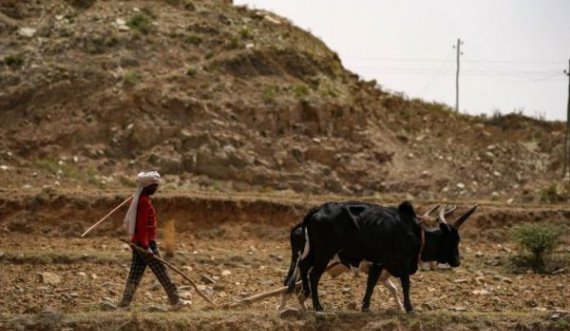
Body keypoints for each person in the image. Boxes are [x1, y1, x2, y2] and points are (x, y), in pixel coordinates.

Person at [118, 171, 181, 308]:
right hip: (144, 243)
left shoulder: (139, 199)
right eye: (154, 185)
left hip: (138, 242)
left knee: (135, 274)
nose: (156, 188)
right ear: (146, 186)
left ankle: (124, 303)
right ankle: (176, 301)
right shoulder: (143, 201)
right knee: (162, 271)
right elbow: (141, 226)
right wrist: (147, 247)